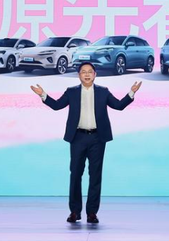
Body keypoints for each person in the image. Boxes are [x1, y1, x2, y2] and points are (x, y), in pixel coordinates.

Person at [31, 62, 142, 223]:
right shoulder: (72, 92)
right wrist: (43, 95)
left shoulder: (103, 92)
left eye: (90, 71)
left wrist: (131, 92)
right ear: (79, 75)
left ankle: (92, 212)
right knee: (75, 174)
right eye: (83, 72)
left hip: (98, 138)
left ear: (95, 75)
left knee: (95, 175)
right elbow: (57, 105)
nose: (87, 74)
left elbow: (118, 106)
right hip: (78, 137)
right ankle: (75, 212)